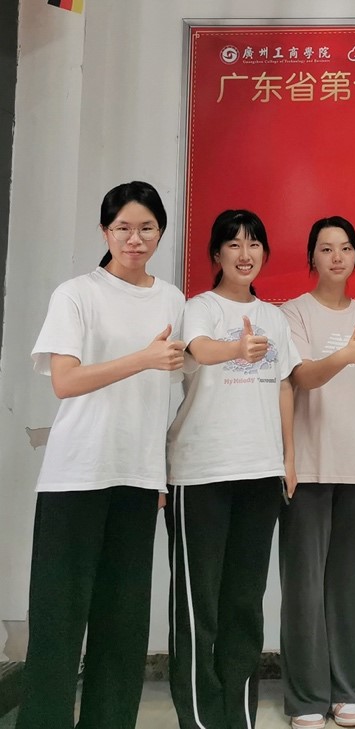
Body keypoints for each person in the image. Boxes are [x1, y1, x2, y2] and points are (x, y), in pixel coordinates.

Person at [20, 181, 185, 729]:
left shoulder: (172, 299)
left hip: (137, 480)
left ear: (161, 232)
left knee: (122, 627)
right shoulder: (76, 294)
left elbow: (162, 398)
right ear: (104, 231)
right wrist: (142, 358)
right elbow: (65, 381)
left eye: (146, 228)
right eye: (122, 228)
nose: (135, 239)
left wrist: (159, 476)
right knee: (59, 624)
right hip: (75, 477)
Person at [165, 209, 301, 729]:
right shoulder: (198, 307)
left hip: (260, 472)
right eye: (234, 244)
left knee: (244, 602)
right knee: (198, 604)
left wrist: (288, 458)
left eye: (254, 244)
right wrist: (236, 349)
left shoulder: (275, 317)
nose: (246, 254)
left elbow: (284, 386)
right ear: (216, 254)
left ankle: (238, 715)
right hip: (200, 472)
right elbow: (199, 350)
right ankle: (200, 719)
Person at [278, 216, 355, 729]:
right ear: (312, 257)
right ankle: (306, 697)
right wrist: (344, 356)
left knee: (350, 585)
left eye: (345, 248)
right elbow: (301, 376)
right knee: (303, 586)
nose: (337, 257)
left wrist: (353, 407)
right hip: (307, 465)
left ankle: (346, 690)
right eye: (326, 249)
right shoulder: (293, 313)